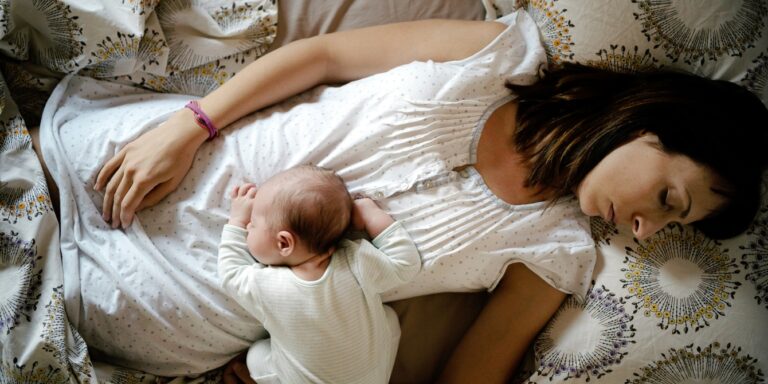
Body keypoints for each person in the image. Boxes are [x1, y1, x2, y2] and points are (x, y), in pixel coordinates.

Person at [34, 9, 768, 383]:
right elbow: (321, 56)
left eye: (673, 227)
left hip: (143, 303)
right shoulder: (503, 54)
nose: (645, 231)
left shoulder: (558, 252)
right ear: (651, 126)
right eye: (670, 200)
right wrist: (191, 124)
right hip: (134, 160)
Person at [218, 164, 420, 383]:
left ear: (284, 242)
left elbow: (230, 273)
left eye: (253, 224)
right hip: (372, 378)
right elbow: (406, 264)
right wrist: (372, 216)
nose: (248, 227)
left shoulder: (268, 286)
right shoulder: (357, 262)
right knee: (387, 317)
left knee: (256, 354)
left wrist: (236, 221)